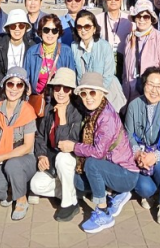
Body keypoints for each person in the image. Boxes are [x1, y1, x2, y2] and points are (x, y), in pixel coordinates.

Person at [57, 72, 139, 234]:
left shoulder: (106, 117)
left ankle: (103, 212)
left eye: (93, 92)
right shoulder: (94, 111)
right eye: (84, 93)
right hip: (112, 167)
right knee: (79, 182)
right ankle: (115, 194)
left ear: (102, 94)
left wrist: (73, 146)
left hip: (126, 174)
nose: (88, 97)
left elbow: (98, 152)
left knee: (92, 164)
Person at [124, 66, 160, 225]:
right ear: (144, 85)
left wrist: (154, 157)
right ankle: (153, 194)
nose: (154, 90)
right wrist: (138, 154)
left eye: (159, 86)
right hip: (140, 154)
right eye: (150, 85)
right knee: (143, 188)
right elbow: (128, 135)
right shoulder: (134, 105)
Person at [29, 67, 84, 220]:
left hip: (70, 159)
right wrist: (40, 156)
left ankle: (67, 204)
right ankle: (71, 193)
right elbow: (39, 136)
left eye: (65, 88)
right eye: (57, 87)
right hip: (52, 158)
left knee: (62, 158)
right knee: (36, 185)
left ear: (71, 91)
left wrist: (62, 118)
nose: (61, 92)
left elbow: (64, 144)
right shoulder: (48, 109)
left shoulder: (76, 112)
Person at [0, 67, 38, 220]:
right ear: (4, 86)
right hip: (2, 156)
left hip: (24, 158)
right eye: (11, 84)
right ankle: (12, 188)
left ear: (24, 88)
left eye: (19, 85)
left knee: (13, 165)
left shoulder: (27, 111)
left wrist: (3, 158)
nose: (14, 89)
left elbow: (27, 146)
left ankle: (21, 198)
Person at [70, 9, 126, 110]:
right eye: (79, 27)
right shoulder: (74, 47)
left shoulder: (104, 46)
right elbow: (78, 76)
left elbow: (108, 75)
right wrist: (85, 95)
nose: (83, 30)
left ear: (94, 28)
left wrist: (96, 96)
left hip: (107, 94)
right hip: (86, 98)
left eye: (87, 26)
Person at [122, 0, 160, 101]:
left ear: (151, 19)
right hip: (131, 91)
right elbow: (125, 68)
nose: (142, 20)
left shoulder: (159, 38)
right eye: (138, 16)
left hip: (153, 93)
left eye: (146, 16)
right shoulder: (130, 37)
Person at [24, 13, 76, 110]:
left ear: (59, 33)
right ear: (40, 32)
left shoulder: (66, 51)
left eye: (54, 30)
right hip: (38, 98)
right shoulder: (32, 52)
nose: (50, 34)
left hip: (59, 100)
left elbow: (71, 77)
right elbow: (26, 76)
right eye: (46, 30)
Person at [95, 0, 131, 77]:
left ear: (121, 0)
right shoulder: (97, 20)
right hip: (103, 66)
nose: (113, 1)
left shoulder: (129, 20)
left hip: (124, 65)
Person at [0, 8, 33, 88]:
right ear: (8, 28)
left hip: (25, 88)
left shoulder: (32, 47)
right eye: (13, 26)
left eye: (21, 26)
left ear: (26, 28)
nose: (17, 29)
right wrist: (5, 88)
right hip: (4, 88)